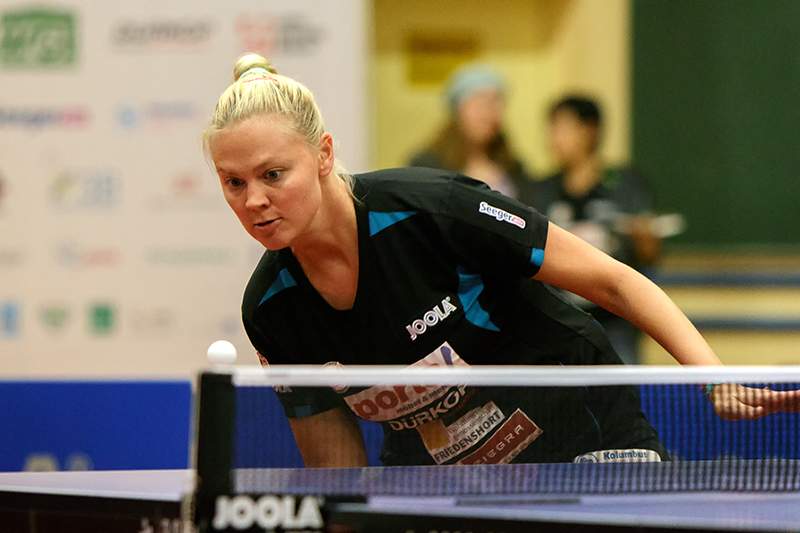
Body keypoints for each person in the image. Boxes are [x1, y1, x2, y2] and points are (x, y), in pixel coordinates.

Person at [203, 54, 799, 468]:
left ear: (324, 155)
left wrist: (713, 378)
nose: (253, 201)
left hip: (578, 429)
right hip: (440, 471)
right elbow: (336, 469)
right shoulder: (271, 309)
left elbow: (614, 281)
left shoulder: (430, 210)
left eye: (273, 174)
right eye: (234, 182)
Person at [529, 96, 660, 364]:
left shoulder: (625, 186)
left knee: (623, 388)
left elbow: (650, 254)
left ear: (590, 130)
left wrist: (644, 237)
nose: (553, 139)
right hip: (557, 322)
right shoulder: (540, 192)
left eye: (563, 128)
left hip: (616, 322)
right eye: (551, 129)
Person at [408, 64, 536, 204]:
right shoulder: (427, 167)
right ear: (457, 111)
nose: (489, 114)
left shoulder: (513, 168)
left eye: (496, 104)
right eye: (481, 104)